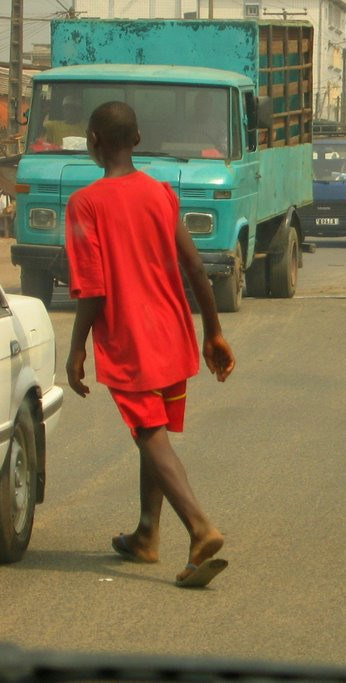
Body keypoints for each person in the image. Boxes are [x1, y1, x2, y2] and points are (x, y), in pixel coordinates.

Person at [64, 101, 236, 588]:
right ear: (136, 141)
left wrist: (77, 348)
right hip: (174, 333)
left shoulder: (87, 204)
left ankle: (200, 529)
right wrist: (213, 331)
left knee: (148, 435)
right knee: (153, 429)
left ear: (93, 141)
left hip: (131, 341)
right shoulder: (161, 194)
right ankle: (146, 535)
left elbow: (93, 288)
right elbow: (197, 268)